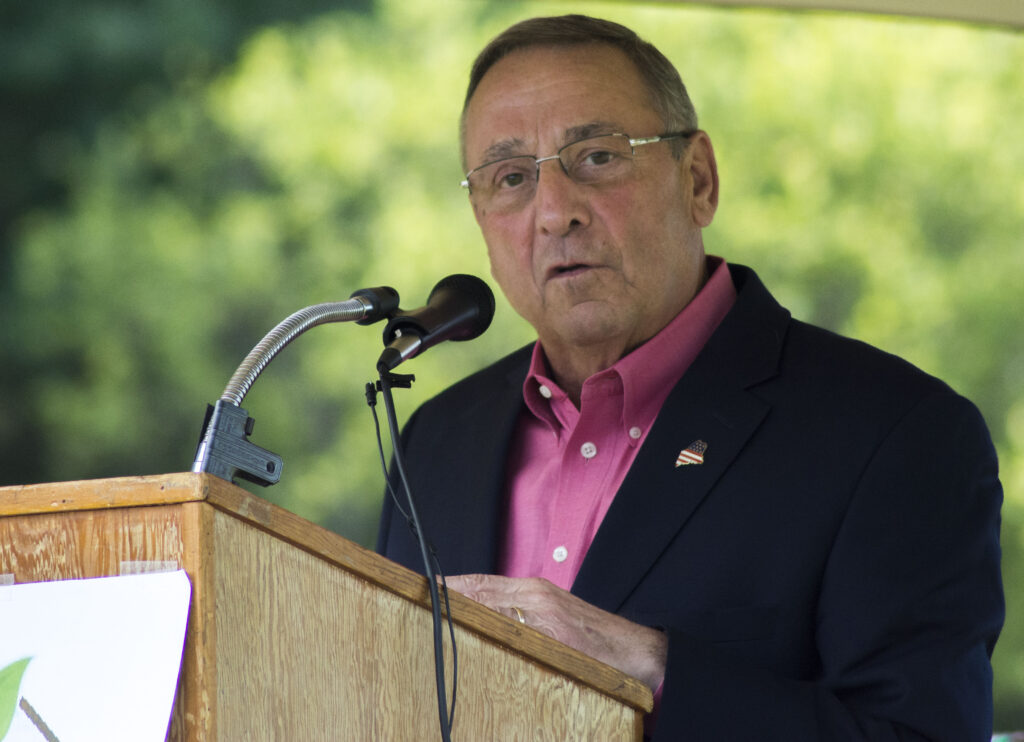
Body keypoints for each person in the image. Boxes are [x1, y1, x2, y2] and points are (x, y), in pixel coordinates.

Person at [376, 14, 1004, 741]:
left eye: (598, 156)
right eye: (510, 178)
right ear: (481, 219)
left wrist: (653, 666)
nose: (554, 213)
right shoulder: (437, 439)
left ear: (698, 180)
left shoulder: (897, 433)